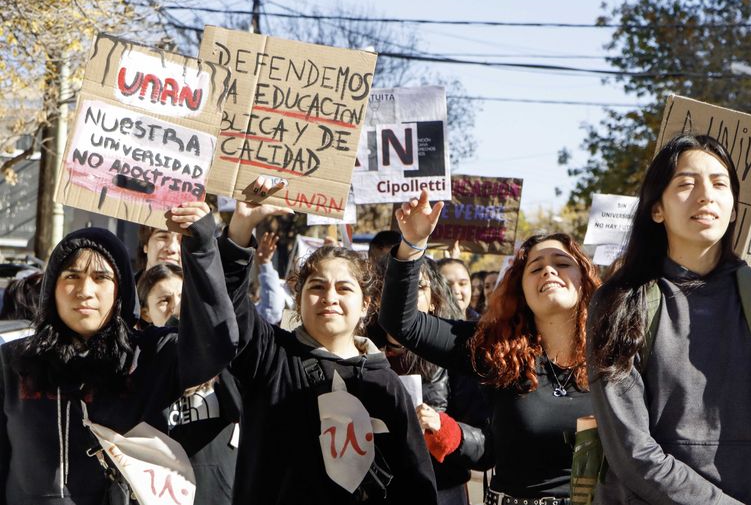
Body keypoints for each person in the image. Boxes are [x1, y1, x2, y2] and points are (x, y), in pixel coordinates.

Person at [0, 203, 239, 504]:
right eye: (71, 276)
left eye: (101, 278)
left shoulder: (151, 355)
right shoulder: (13, 362)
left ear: (120, 291)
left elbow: (218, 344)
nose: (85, 290)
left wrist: (203, 247)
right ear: (52, 290)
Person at [380, 189, 600, 503]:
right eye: (535, 268)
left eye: (562, 263)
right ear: (521, 290)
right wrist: (413, 243)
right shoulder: (494, 349)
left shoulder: (612, 354)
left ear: (585, 280)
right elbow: (403, 324)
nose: (549, 270)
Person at [218, 194, 438, 505]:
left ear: (365, 305)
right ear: (299, 298)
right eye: (317, 286)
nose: (329, 297)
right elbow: (227, 305)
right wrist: (240, 229)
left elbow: (416, 483)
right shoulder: (268, 356)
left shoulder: (384, 383)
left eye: (344, 288)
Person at [587, 134, 751, 504]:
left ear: (734, 208)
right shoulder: (620, 301)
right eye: (686, 183)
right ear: (657, 209)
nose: (706, 194)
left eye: (719, 184)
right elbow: (632, 452)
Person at [384, 257, 489, 505]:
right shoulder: (359, 355)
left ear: (434, 301)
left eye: (419, 288)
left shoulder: (458, 357)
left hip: (441, 491)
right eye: (394, 288)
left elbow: (486, 446)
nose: (406, 297)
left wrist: (444, 429)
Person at [136, 260, 240, 505]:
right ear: (145, 312)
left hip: (220, 492)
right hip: (165, 492)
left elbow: (240, 408)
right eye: (164, 301)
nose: (176, 307)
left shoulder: (217, 352)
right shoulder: (140, 363)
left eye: (183, 297)